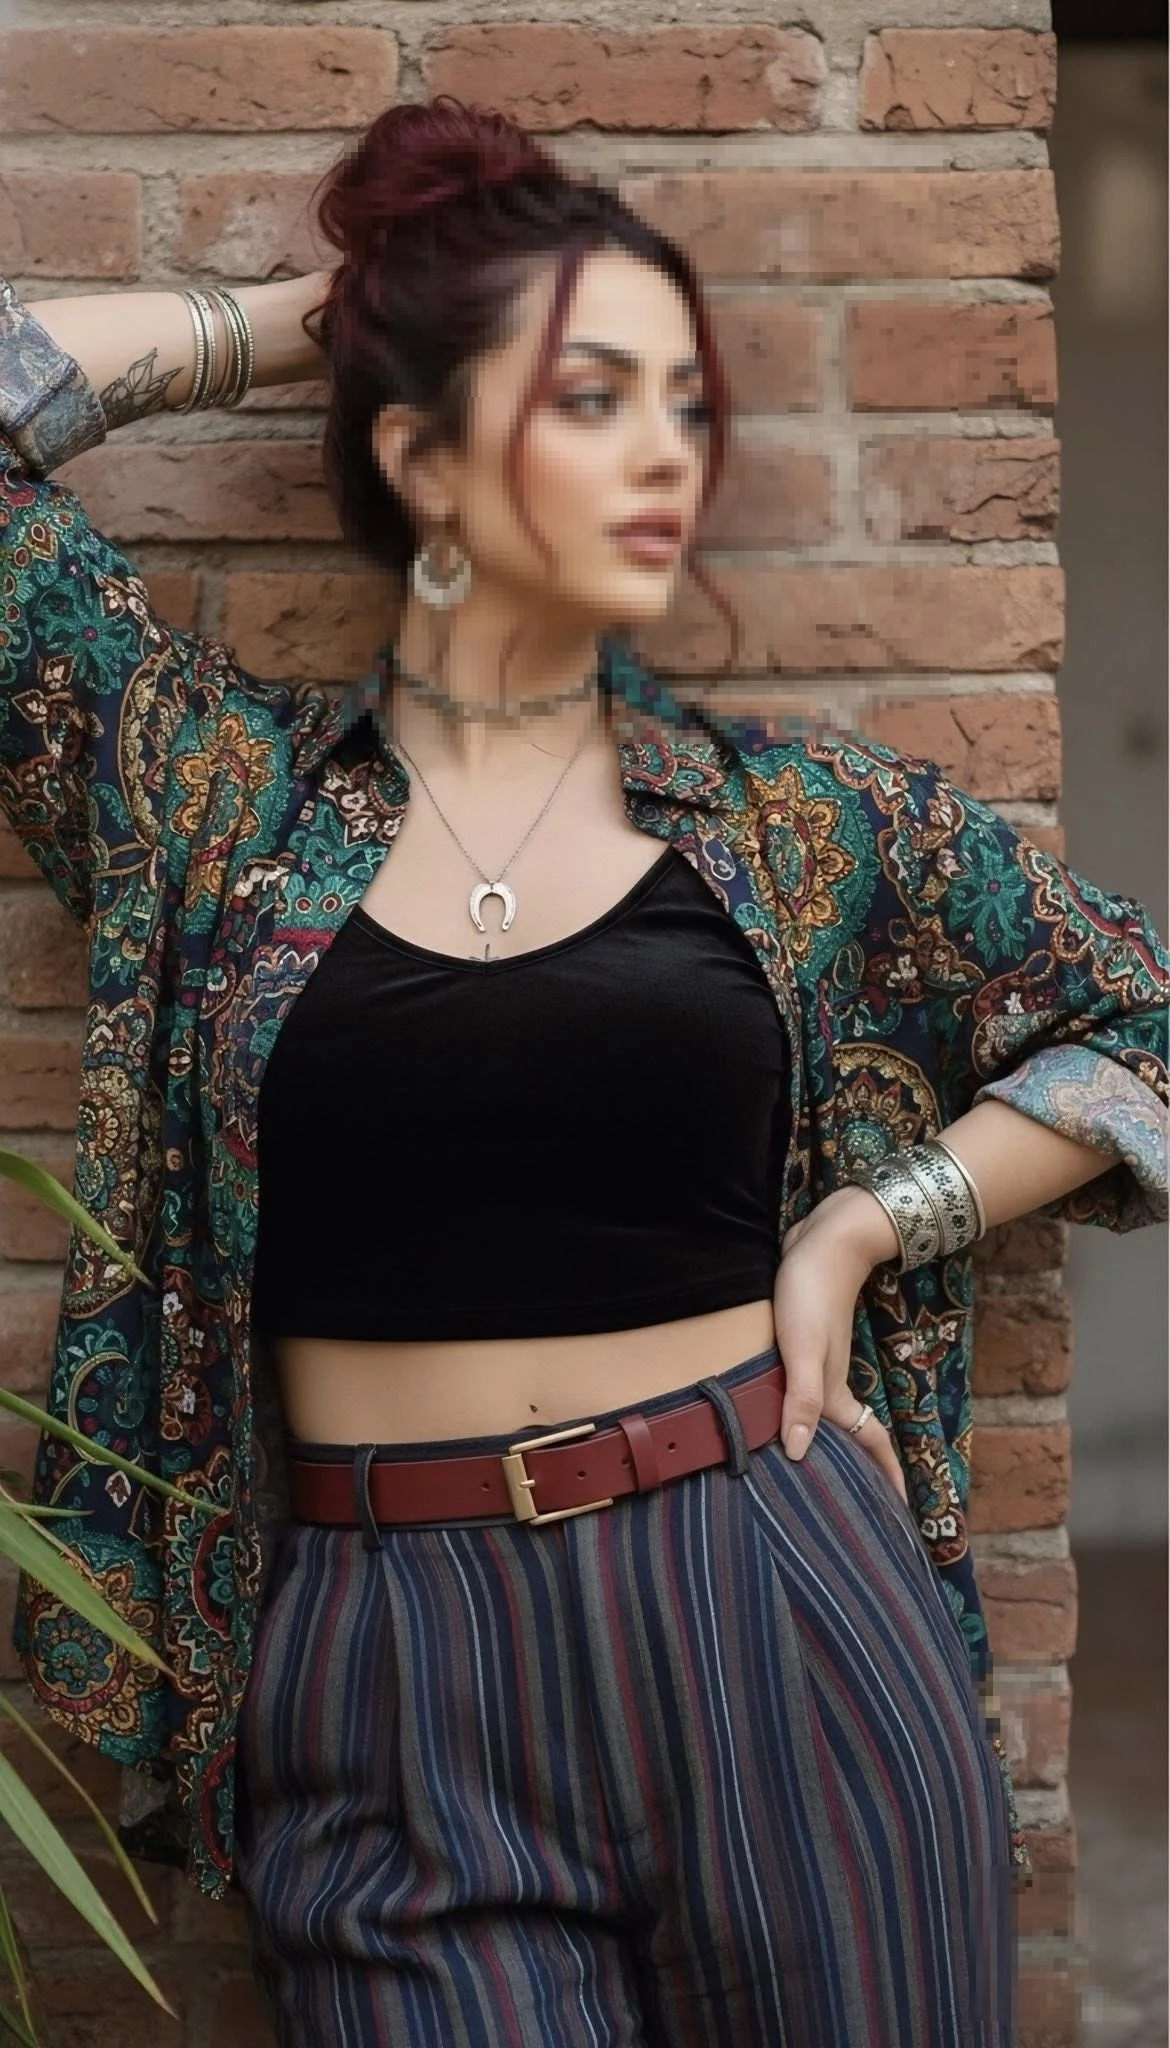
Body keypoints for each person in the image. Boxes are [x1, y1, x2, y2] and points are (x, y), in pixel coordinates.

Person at [0, 95, 1165, 2048]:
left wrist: (869, 1228)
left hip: (773, 1596)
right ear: (423, 460)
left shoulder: (792, 824)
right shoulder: (202, 791)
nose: (666, 456)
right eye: (591, 394)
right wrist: (328, 313)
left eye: (688, 404)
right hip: (388, 1673)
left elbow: (1146, 1013)